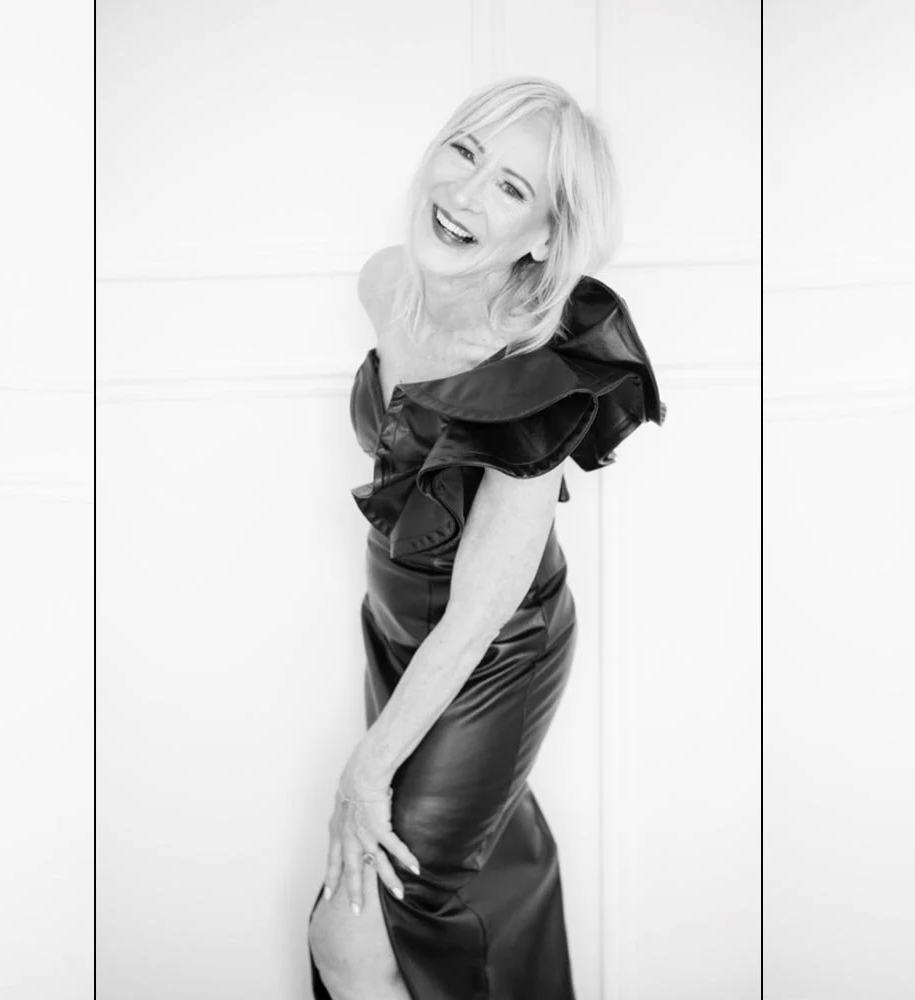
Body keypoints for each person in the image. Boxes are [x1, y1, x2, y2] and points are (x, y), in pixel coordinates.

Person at [303, 78, 662, 1000]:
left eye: (512, 188)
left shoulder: (531, 371)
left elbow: (481, 611)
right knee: (473, 875)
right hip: (396, 628)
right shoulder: (386, 283)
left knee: (358, 927)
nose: (465, 193)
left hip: (494, 647)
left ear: (543, 237)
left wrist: (365, 766)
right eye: (466, 153)